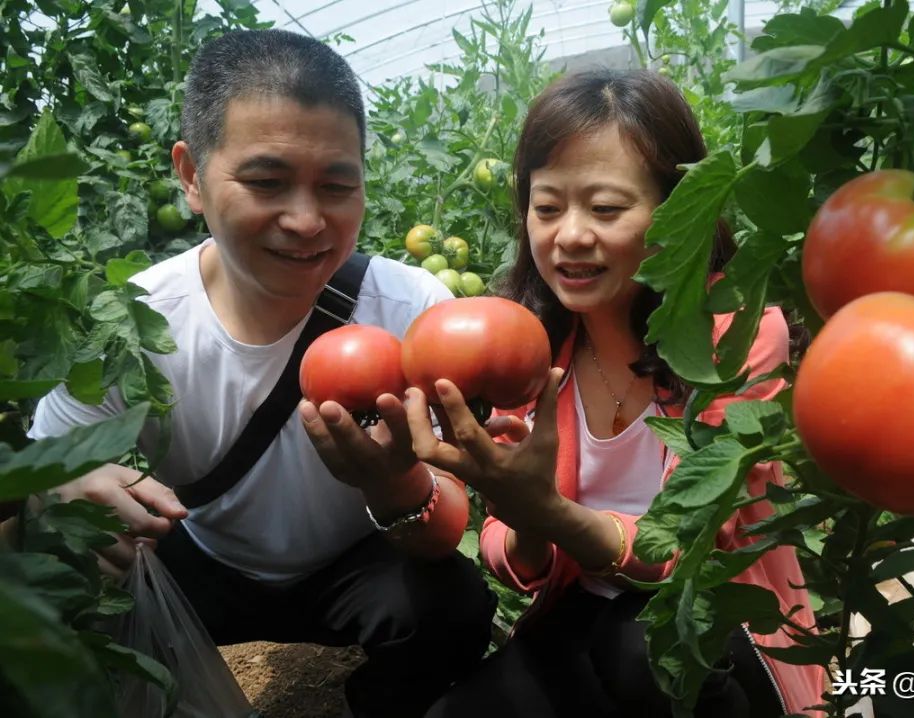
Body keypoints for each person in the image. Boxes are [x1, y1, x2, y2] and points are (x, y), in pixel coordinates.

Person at [26, 29, 495, 718]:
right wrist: (67, 488)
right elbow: (39, 472)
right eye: (266, 181)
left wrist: (393, 482)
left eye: (338, 186)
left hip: (355, 562)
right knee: (69, 587)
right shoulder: (134, 324)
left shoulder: (415, 310)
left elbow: (444, 525)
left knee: (450, 605)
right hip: (201, 564)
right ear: (190, 174)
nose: (307, 221)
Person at [395, 69, 825, 716]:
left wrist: (547, 511)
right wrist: (522, 519)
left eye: (605, 208)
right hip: (579, 618)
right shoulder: (526, 343)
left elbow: (689, 546)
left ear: (680, 209)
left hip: (716, 631)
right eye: (547, 207)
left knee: (645, 648)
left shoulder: (737, 336)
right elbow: (507, 555)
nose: (569, 235)